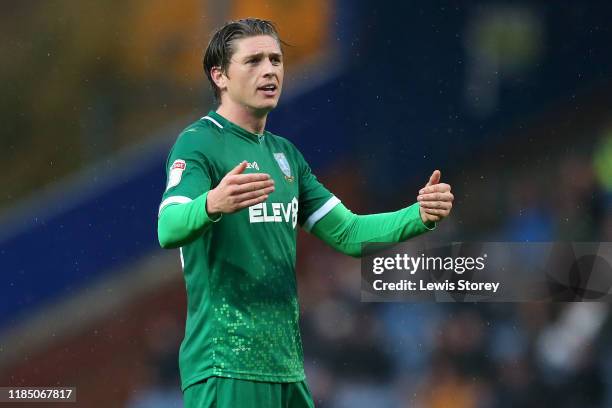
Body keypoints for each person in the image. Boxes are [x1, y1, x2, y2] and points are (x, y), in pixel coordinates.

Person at [157, 17, 453, 408]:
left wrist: (419, 216)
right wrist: (212, 203)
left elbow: (349, 233)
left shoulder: (285, 156)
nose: (270, 71)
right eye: (254, 61)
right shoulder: (198, 144)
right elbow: (168, 226)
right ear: (220, 75)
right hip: (226, 365)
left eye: (275, 60)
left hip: (287, 368)